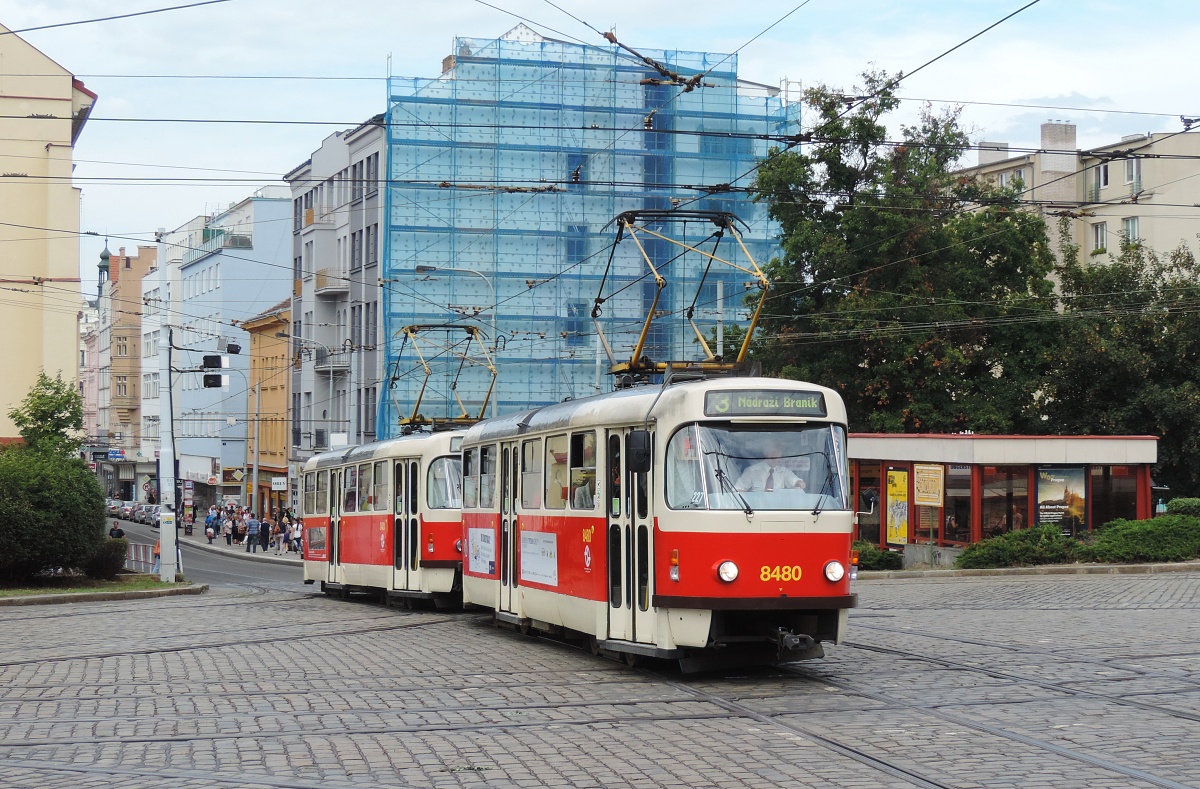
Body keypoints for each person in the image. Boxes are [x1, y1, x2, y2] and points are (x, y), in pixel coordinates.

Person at [736, 445, 805, 492]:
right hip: (755, 508)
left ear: (781, 456)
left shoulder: (784, 472)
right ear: (766, 453)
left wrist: (797, 486)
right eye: (772, 452)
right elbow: (737, 490)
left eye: (777, 453)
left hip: (778, 508)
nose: (774, 456)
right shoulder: (751, 471)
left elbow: (801, 483)